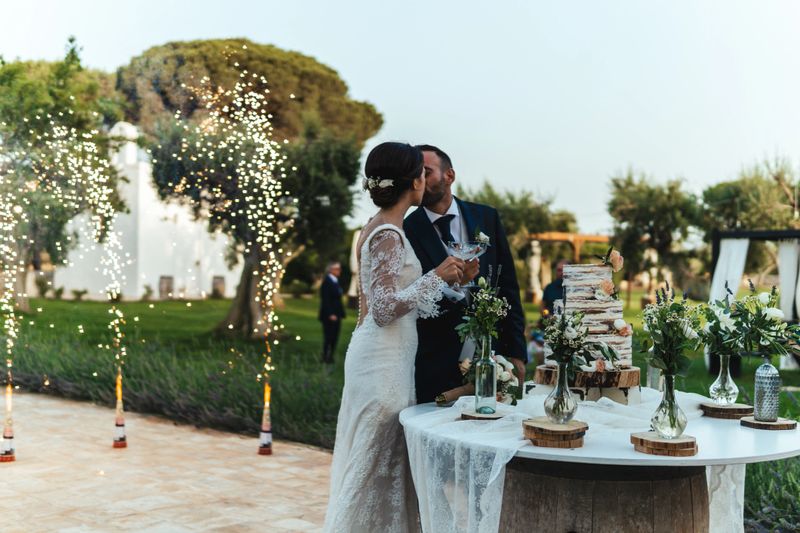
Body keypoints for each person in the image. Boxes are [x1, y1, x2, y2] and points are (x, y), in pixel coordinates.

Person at [324, 142, 464, 532]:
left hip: (382, 355)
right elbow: (385, 310)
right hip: (383, 363)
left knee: (381, 465)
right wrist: (436, 276)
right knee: (372, 464)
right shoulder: (390, 234)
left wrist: (443, 284)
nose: (425, 179)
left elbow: (372, 305)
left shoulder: (377, 227)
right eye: (422, 172)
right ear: (412, 181)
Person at [403, 144, 528, 403]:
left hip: (492, 354)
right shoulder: (407, 228)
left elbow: (508, 288)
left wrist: (516, 352)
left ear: (449, 176)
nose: (420, 180)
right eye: (416, 174)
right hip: (434, 359)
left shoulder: (486, 217)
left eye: (427, 172)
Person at [318, 262, 345, 364]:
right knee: (328, 336)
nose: (339, 271)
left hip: (337, 314)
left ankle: (331, 356)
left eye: (339, 268)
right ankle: (325, 356)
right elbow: (326, 300)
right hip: (329, 315)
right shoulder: (327, 282)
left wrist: (341, 313)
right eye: (337, 269)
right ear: (331, 270)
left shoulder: (336, 281)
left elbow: (338, 299)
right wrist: (330, 314)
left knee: (335, 336)